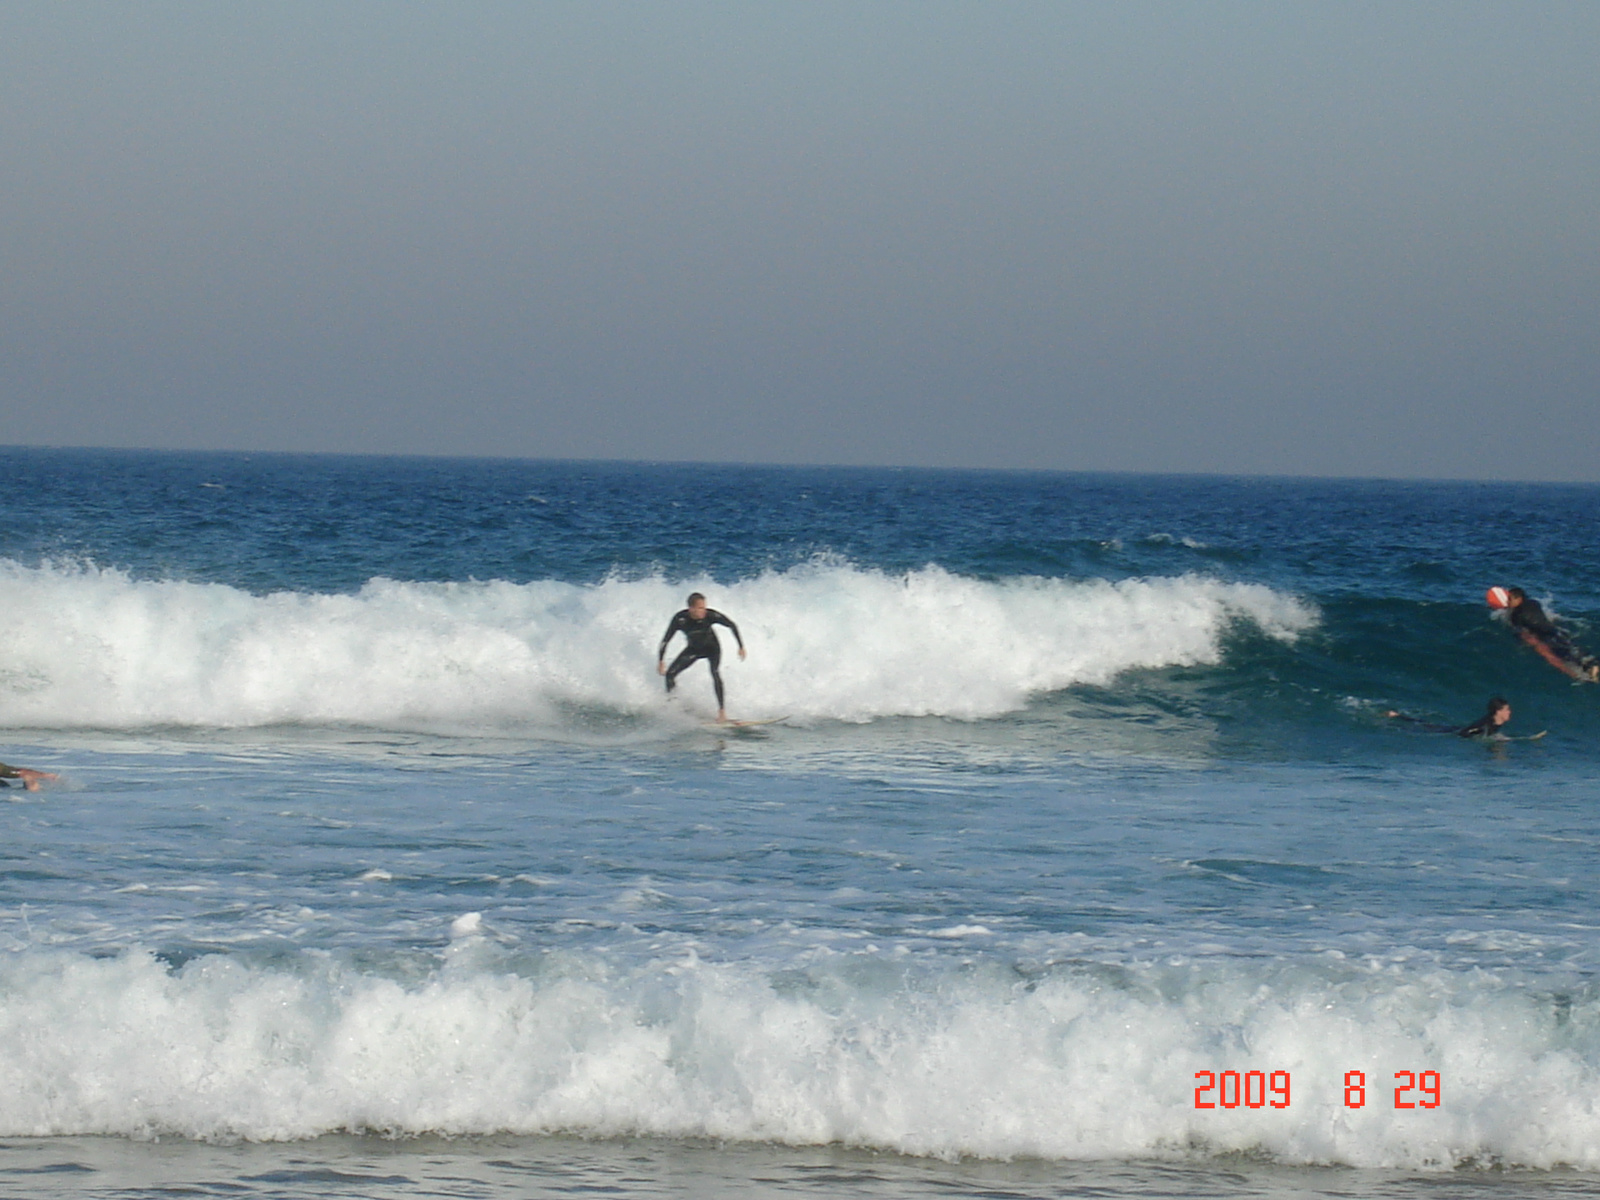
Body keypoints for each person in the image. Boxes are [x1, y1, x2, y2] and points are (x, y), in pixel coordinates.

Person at [657, 592, 746, 721]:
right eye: (700, 608)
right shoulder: (680, 619)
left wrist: (741, 646)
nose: (703, 610)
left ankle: (722, 712)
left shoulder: (711, 615)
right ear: (691, 609)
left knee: (715, 673)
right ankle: (674, 707)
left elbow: (732, 625)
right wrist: (660, 660)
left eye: (704, 607)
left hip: (712, 649)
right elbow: (666, 640)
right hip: (693, 649)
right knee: (670, 674)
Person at [1496, 587, 1600, 681]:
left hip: (1543, 635)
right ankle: (1592, 663)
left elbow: (1525, 634)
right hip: (1553, 630)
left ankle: (1587, 671)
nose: (1507, 602)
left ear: (1518, 599)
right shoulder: (1534, 602)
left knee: (1562, 655)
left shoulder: (1515, 616)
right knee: (1570, 646)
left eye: (1509, 599)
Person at [1384, 696, 1515, 739]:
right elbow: (1467, 732)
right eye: (1507, 710)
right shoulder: (1487, 724)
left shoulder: (1495, 721)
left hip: (1456, 728)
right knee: (1423, 727)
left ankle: (1397, 716)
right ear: (1498, 712)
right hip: (1453, 731)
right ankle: (1395, 719)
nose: (1510, 712)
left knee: (1426, 724)